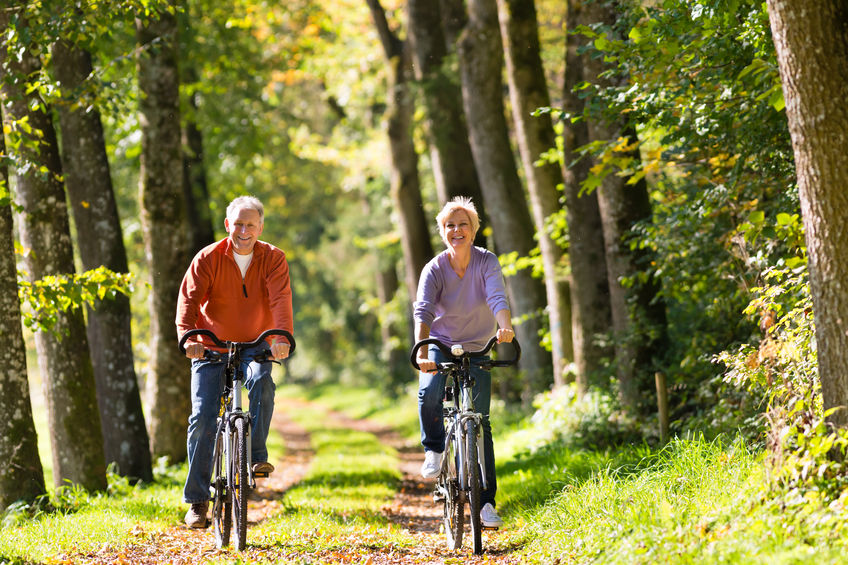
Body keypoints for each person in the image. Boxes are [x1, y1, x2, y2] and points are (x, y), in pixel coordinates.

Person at [176, 195, 294, 528]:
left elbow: (280, 299)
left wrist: (281, 337)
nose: (244, 230)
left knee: (262, 383)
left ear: (260, 227)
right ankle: (198, 501)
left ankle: (256, 456)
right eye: (238, 224)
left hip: (256, 345)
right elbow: (189, 301)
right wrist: (190, 339)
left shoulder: (273, 258)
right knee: (202, 419)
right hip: (211, 347)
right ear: (228, 225)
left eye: (250, 225)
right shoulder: (208, 258)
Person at [413, 196, 515, 529]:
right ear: (443, 231)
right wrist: (423, 351)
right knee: (429, 392)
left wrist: (504, 325)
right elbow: (424, 310)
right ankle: (435, 447)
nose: (457, 230)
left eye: (463, 224)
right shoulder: (435, 268)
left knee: (481, 423)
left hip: (477, 346)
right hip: (441, 344)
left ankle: (486, 503)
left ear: (473, 230)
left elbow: (497, 295)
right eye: (450, 225)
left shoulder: (486, 262)